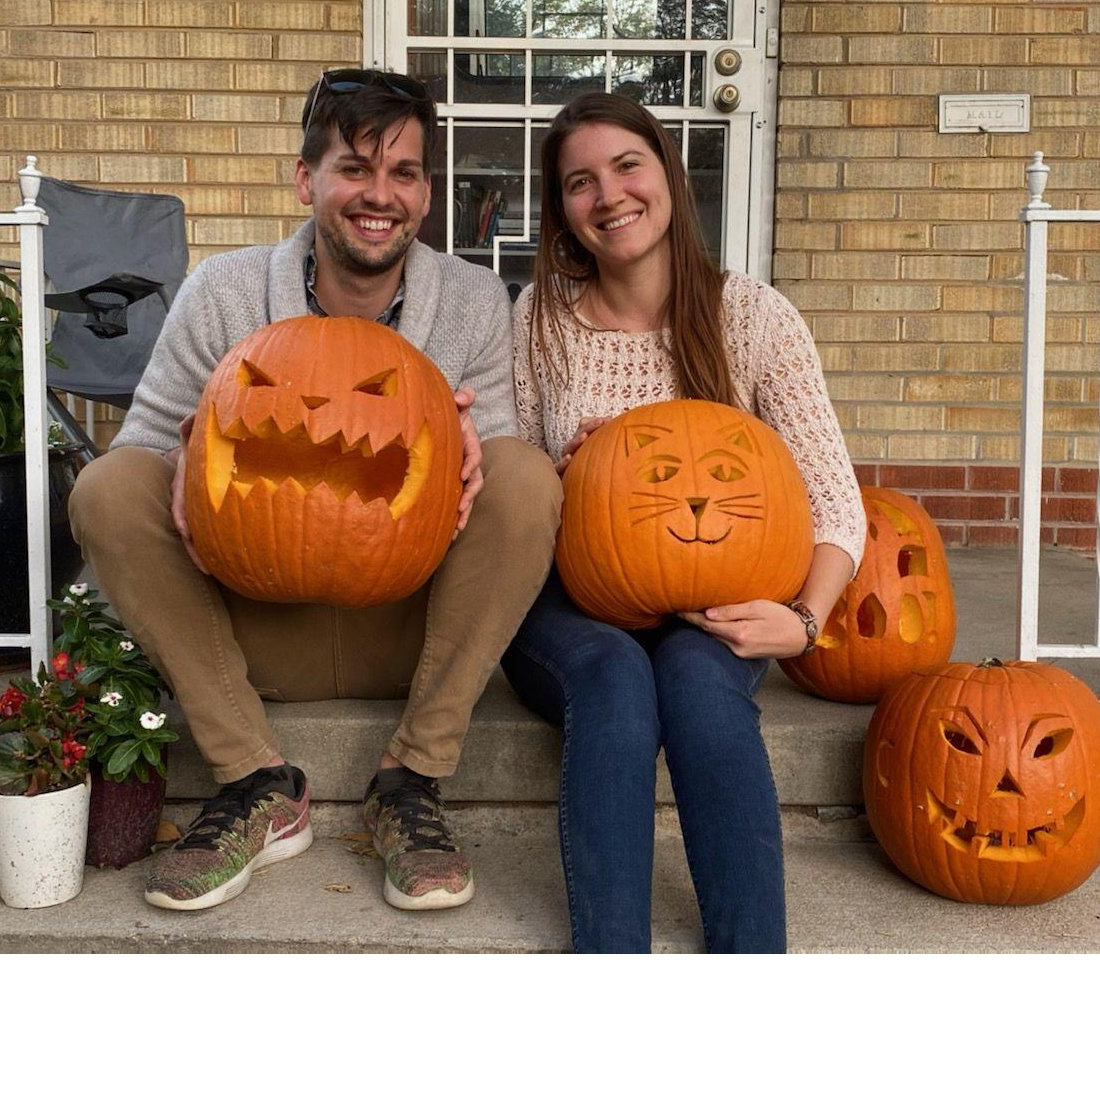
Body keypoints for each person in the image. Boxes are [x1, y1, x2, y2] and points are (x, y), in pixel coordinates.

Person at [68, 69, 562, 913]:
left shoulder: (476, 300)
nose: (380, 195)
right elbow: (146, 444)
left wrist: (475, 452)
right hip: (255, 625)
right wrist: (185, 454)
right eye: (355, 169)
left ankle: (411, 778)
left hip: (408, 627)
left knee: (524, 475)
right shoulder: (222, 293)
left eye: (403, 173)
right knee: (109, 484)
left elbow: (499, 468)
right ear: (307, 180)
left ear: (426, 192)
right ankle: (256, 779)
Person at [501, 92, 866, 953]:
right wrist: (564, 473)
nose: (609, 195)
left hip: (724, 596)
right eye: (579, 181)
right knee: (616, 683)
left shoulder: (754, 317)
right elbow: (504, 493)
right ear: (563, 210)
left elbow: (835, 499)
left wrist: (804, 619)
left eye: (627, 165)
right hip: (571, 600)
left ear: (666, 172)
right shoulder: (539, 320)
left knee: (701, 692)